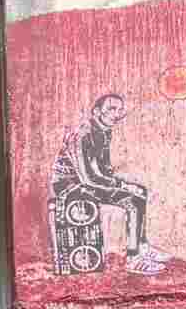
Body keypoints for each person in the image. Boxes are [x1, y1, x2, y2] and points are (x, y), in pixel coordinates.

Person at [50, 94, 171, 276]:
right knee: (133, 201)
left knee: (140, 192)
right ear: (96, 111)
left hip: (85, 182)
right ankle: (133, 258)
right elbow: (88, 178)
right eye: (111, 109)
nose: (116, 114)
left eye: (119, 109)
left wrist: (122, 184)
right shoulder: (83, 134)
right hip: (69, 186)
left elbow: (103, 170)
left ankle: (142, 245)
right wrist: (122, 186)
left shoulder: (104, 130)